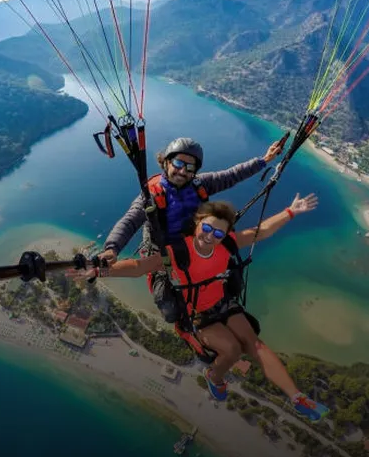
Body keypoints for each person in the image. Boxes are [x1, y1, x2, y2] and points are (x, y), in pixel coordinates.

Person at [86, 195, 329, 422]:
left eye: (218, 233)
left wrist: (291, 211)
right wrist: (99, 271)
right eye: (207, 228)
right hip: (197, 315)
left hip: (222, 302)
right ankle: (214, 377)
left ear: (225, 236)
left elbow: (262, 231)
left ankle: (297, 398)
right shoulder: (178, 251)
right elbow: (138, 266)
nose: (211, 236)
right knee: (232, 350)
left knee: (253, 343)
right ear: (197, 223)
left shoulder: (226, 245)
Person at [99, 136, 284, 322]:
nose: (182, 170)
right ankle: (189, 320)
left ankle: (216, 306)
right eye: (178, 163)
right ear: (167, 162)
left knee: (233, 284)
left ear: (195, 171)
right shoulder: (151, 195)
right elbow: (130, 221)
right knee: (171, 312)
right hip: (165, 256)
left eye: (190, 167)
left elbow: (232, 175)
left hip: (196, 247)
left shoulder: (200, 184)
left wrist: (264, 160)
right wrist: (112, 248)